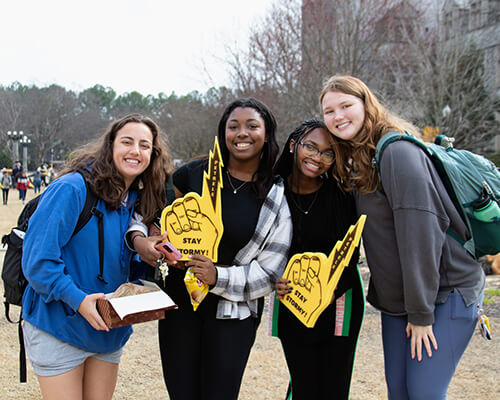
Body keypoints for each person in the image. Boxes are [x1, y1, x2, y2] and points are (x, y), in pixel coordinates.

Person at [320, 75, 485, 400]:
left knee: (423, 393)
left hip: (445, 294)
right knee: (400, 393)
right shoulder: (362, 160)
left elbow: (421, 235)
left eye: (346, 106)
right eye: (329, 111)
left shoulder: (397, 152)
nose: (337, 116)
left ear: (367, 104)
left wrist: (421, 315)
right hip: (400, 304)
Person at [130, 98, 293, 400]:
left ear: (267, 133)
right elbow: (146, 215)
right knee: (182, 393)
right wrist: (146, 243)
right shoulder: (193, 174)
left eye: (252, 126)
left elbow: (270, 270)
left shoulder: (276, 192)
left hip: (233, 313)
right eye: (233, 126)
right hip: (179, 305)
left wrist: (218, 276)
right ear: (223, 133)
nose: (242, 133)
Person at [21, 114, 172, 400]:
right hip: (59, 326)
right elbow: (38, 262)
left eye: (144, 145)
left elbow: (122, 265)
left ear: (153, 155)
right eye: (127, 142)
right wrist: (78, 300)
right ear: (110, 145)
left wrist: (150, 258)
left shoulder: (137, 201)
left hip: (107, 332)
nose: (135, 151)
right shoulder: (72, 189)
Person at [270, 119, 364, 400]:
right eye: (311, 147)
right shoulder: (272, 193)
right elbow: (261, 249)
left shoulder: (342, 194)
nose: (317, 157)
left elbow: (351, 252)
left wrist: (329, 287)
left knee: (334, 387)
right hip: (292, 299)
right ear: (293, 145)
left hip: (340, 298)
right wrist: (274, 277)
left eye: (328, 152)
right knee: (304, 385)